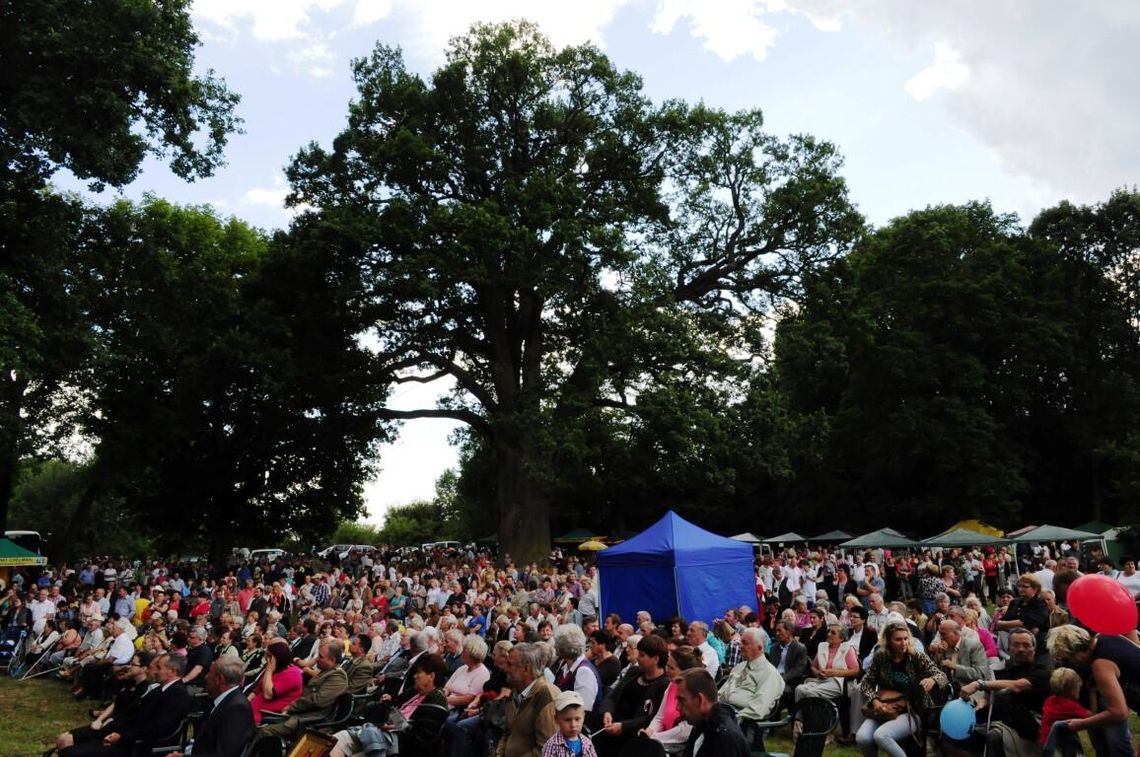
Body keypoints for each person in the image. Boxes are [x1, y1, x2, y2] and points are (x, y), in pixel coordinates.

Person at [948, 628, 1051, 757]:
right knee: (955, 732)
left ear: (1034, 649)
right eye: (1016, 645)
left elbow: (1017, 685)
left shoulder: (1041, 672)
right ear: (1009, 648)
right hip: (998, 716)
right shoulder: (1001, 669)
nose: (1020, 649)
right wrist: (980, 704)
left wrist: (979, 684)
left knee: (994, 737)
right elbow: (987, 696)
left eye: (1026, 645)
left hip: (1028, 723)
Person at [329, 653, 449, 757]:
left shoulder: (436, 702)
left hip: (398, 748)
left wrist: (389, 727)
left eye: (419, 673)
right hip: (385, 735)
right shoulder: (415, 692)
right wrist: (389, 707)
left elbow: (418, 740)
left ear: (431, 676)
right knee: (338, 738)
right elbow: (395, 707)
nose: (415, 676)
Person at [1047, 623, 1140, 757]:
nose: (1073, 664)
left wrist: (1081, 724)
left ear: (1075, 651)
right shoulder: (1105, 636)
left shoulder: (1101, 665)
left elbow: (1119, 712)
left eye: (1069, 659)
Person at [856, 619, 946, 757]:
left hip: (913, 710)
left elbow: (942, 676)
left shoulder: (916, 656)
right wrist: (875, 701)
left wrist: (932, 679)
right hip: (886, 706)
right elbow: (866, 683)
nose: (903, 643)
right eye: (898, 639)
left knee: (881, 736)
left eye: (905, 638)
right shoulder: (881, 656)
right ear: (888, 640)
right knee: (863, 738)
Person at [257, 639, 349, 744]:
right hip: (301, 713)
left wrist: (291, 706)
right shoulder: (326, 672)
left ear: (332, 660)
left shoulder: (338, 677)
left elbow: (317, 700)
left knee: (265, 731)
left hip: (311, 719)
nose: (317, 659)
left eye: (321, 657)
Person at [594, 635, 670, 756]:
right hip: (610, 727)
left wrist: (624, 726)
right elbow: (613, 695)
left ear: (655, 659)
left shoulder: (664, 684)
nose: (638, 658)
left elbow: (652, 717)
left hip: (632, 737)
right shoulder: (634, 672)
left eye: (642, 655)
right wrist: (607, 712)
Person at [169, 656, 254, 757]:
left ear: (219, 679)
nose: (206, 677)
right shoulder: (223, 700)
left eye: (209, 672)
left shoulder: (237, 708)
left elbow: (225, 754)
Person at [638, 646, 704, 754]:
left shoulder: (694, 693)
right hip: (662, 741)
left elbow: (686, 731)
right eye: (667, 666)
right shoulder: (672, 685)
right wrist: (648, 733)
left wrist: (654, 737)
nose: (666, 670)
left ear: (686, 672)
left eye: (672, 668)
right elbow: (660, 717)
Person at [497, 642, 558, 757]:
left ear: (526, 669)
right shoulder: (515, 692)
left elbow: (547, 750)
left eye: (510, 664)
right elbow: (508, 733)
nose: (505, 669)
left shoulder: (547, 695)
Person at [674, 668, 749, 757]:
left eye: (682, 700)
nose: (677, 707)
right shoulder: (701, 724)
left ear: (700, 699)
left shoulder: (725, 738)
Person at [718, 627, 784, 722]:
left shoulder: (770, 674)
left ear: (760, 647)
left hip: (743, 722)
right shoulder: (739, 667)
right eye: (741, 642)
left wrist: (733, 720)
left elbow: (758, 709)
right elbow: (721, 693)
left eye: (745, 643)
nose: (740, 646)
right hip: (723, 712)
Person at [795, 623, 857, 703]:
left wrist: (834, 673)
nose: (828, 634)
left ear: (841, 638)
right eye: (829, 631)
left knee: (811, 693)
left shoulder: (848, 649)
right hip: (821, 680)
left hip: (838, 682)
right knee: (799, 689)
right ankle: (799, 715)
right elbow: (813, 667)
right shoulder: (822, 646)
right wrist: (818, 673)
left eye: (833, 633)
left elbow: (856, 671)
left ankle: (813, 715)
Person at [248, 639, 305, 723]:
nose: (266, 659)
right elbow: (256, 691)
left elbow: (268, 695)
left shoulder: (293, 674)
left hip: (264, 718)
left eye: (268, 656)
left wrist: (268, 670)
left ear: (275, 659)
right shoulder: (276, 670)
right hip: (250, 710)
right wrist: (245, 704)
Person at [1038, 667, 1088, 747]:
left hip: (1045, 742)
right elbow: (1091, 717)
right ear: (1072, 690)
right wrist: (1092, 694)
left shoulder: (1050, 700)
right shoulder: (1070, 706)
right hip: (1059, 745)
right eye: (1078, 688)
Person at [541, 690, 598, 757]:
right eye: (567, 720)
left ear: (583, 717)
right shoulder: (552, 745)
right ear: (556, 719)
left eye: (577, 719)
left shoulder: (587, 744)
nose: (573, 725)